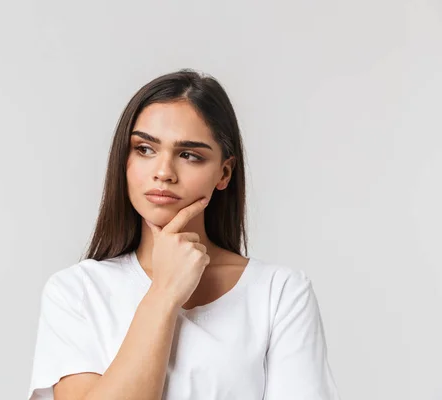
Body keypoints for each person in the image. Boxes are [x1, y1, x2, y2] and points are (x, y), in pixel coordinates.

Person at [27, 69, 341, 400]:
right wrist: (163, 294)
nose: (163, 173)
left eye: (189, 155)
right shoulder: (77, 292)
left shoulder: (279, 294)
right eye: (145, 149)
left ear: (224, 172)